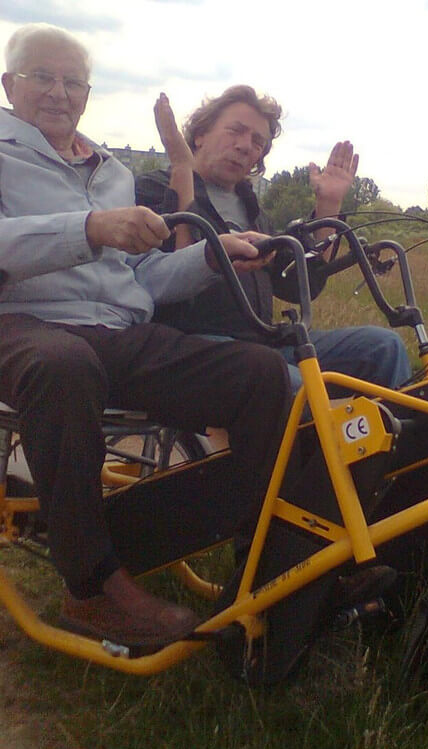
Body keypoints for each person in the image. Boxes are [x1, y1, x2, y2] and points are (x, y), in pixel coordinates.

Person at [0, 23, 293, 647]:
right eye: (42, 77)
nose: (58, 92)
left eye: (72, 81)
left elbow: (135, 280)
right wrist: (89, 227)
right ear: (9, 84)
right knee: (65, 365)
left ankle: (264, 558)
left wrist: (213, 257)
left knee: (261, 374)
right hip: (22, 322)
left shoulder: (109, 171)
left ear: (87, 93)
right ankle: (91, 587)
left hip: (113, 327)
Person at [134, 86, 411, 394]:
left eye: (258, 142)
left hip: (262, 341)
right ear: (200, 135)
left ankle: (389, 440)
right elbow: (161, 271)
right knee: (293, 384)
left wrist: (329, 206)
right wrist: (182, 171)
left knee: (384, 347)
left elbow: (295, 284)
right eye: (235, 131)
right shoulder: (152, 189)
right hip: (192, 343)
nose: (245, 146)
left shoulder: (251, 209)